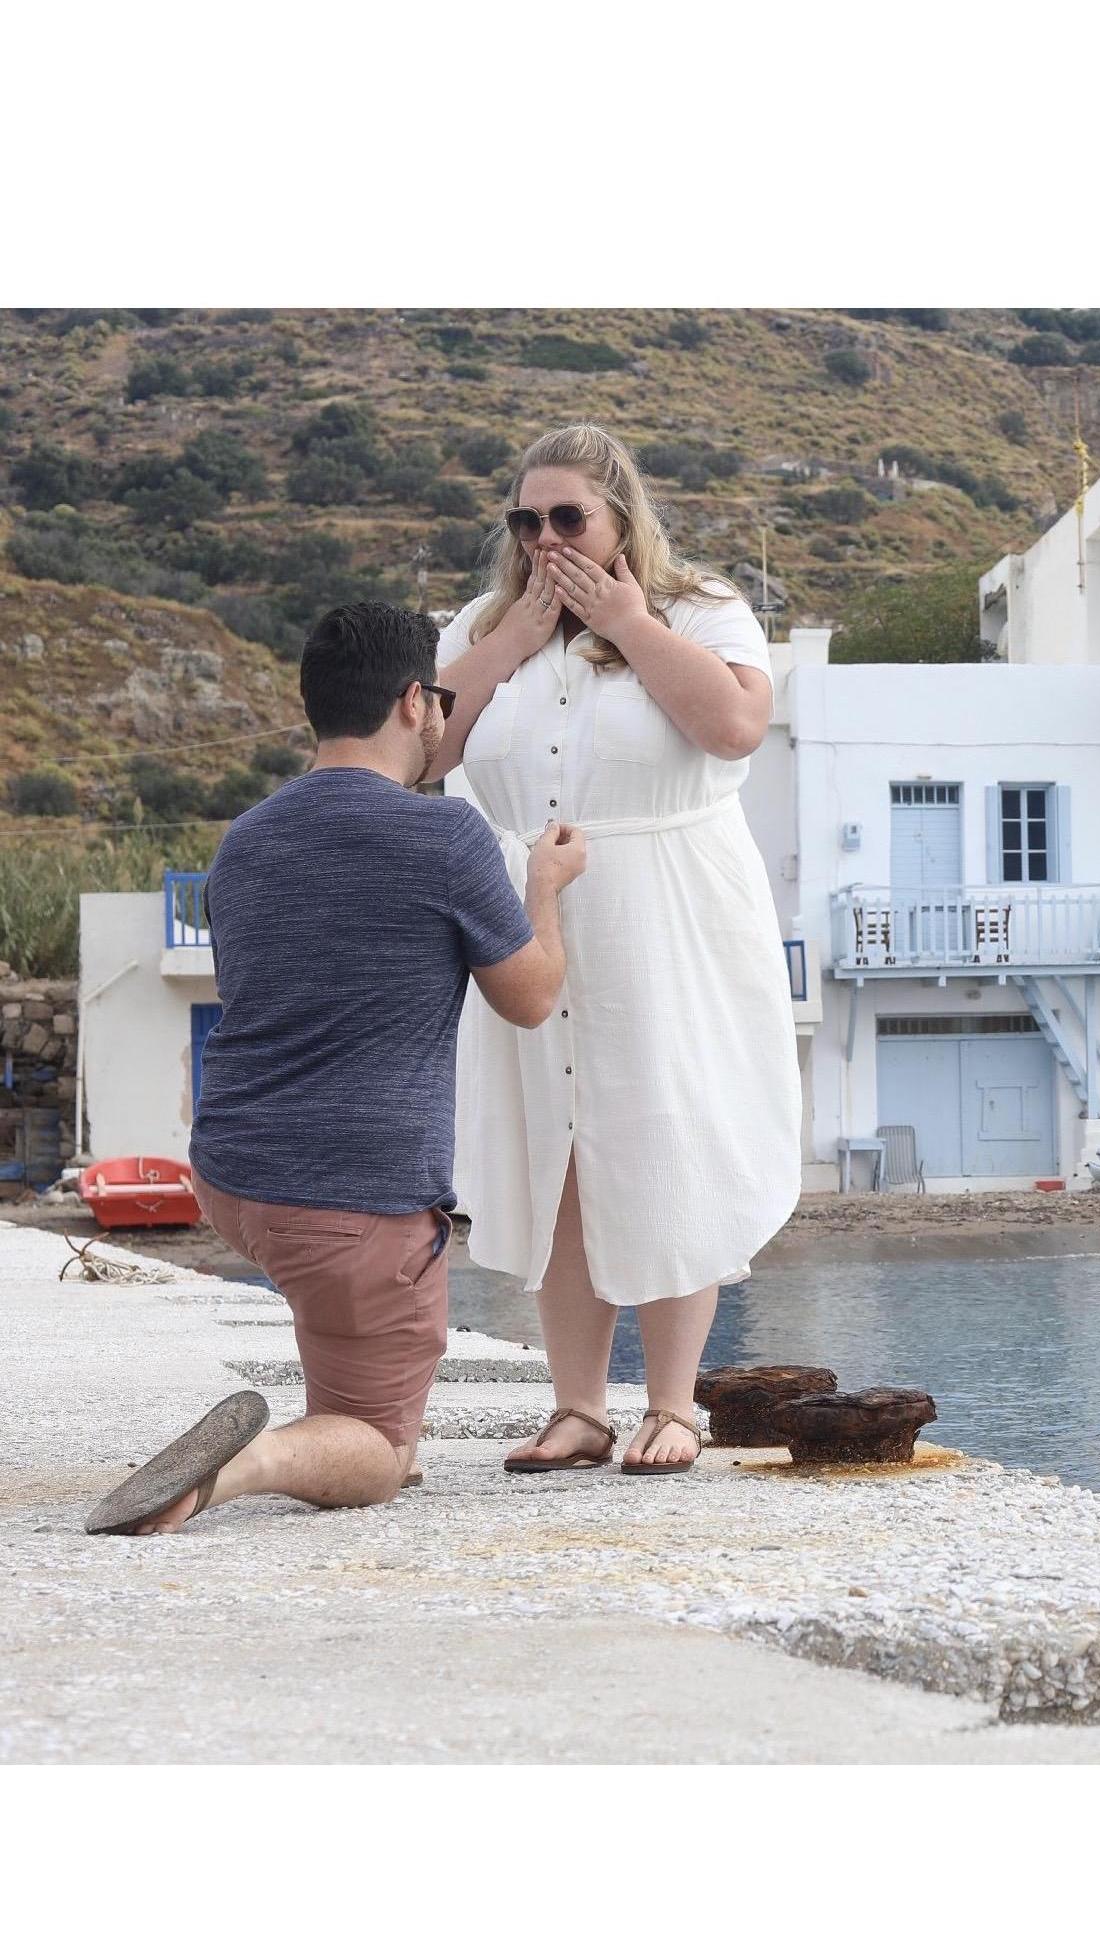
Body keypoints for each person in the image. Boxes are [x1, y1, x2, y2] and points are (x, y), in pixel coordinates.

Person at [84, 603, 587, 1535]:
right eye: (439, 697)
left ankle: (337, 1418)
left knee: (338, 1313)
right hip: (353, 1198)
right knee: (383, 1451)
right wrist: (544, 892)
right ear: (412, 703)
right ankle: (252, 1464)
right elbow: (530, 997)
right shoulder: (444, 840)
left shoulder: (247, 841)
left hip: (234, 1178)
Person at [430, 423, 799, 1475]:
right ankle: (578, 1406)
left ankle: (674, 1404)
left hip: (665, 910)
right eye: (525, 520)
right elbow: (424, 749)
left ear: (618, 516)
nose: (545, 537)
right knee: (557, 1154)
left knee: (667, 1134)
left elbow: (732, 728)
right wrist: (510, 638)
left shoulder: (703, 609)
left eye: (567, 517)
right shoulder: (482, 623)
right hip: (530, 905)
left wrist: (628, 621)